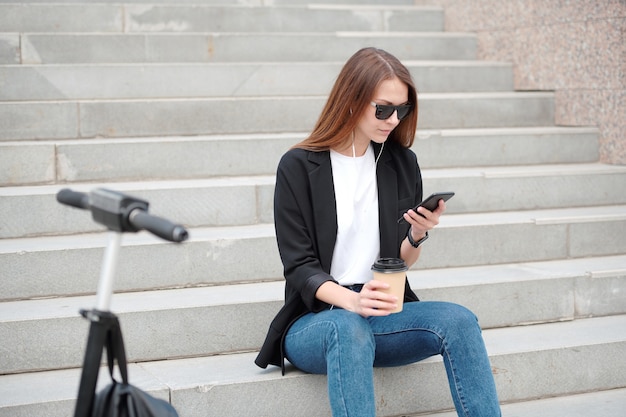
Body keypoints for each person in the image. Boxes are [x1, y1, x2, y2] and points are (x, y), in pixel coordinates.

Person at [255, 47, 501, 417]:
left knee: (460, 321)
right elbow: (299, 266)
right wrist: (351, 301)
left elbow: (397, 263)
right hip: (319, 320)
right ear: (352, 100)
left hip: (383, 311)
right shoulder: (298, 166)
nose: (393, 119)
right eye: (383, 108)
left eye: (402, 110)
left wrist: (416, 236)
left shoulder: (401, 163)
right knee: (347, 327)